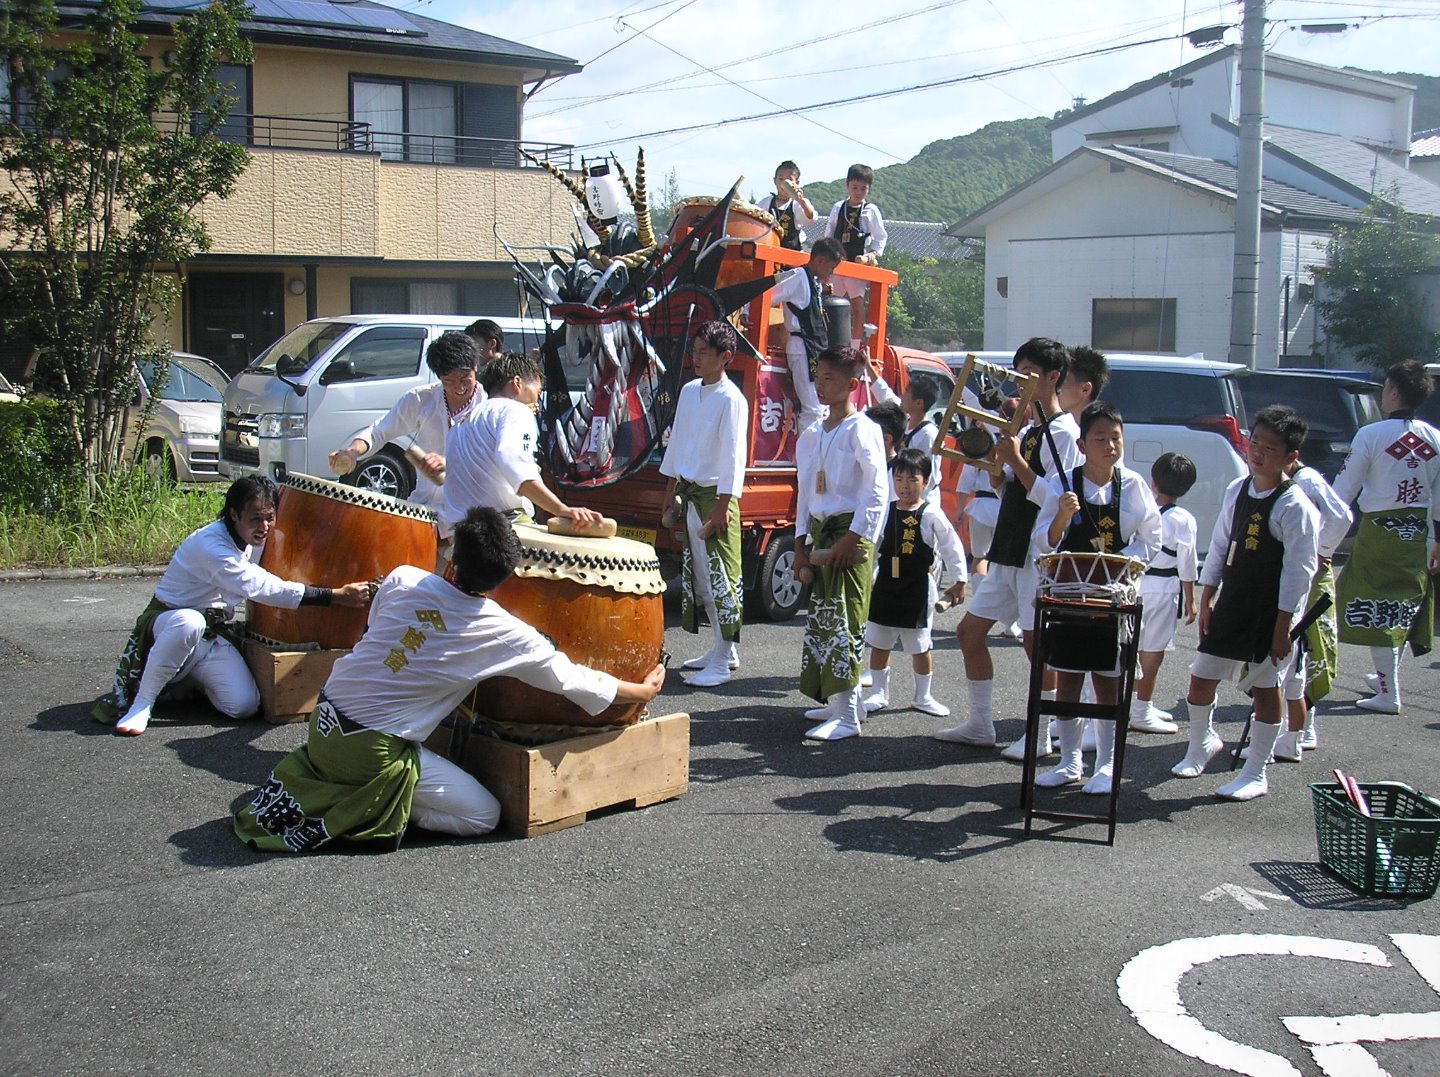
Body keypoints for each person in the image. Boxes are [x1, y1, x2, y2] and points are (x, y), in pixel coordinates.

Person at [234, 507, 667, 852]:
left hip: (323, 723)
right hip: (369, 750)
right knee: (482, 816)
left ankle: (347, 785)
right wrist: (642, 691)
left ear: (452, 555)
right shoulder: (503, 631)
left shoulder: (404, 578)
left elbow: (377, 635)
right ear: (504, 579)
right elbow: (573, 680)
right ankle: (370, 809)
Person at [92, 476, 373, 736]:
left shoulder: (257, 538)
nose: (263, 527)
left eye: (269, 518)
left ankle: (184, 683)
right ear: (234, 515)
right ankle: (143, 702)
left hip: (209, 638)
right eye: (255, 519)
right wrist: (335, 596)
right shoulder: (211, 546)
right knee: (190, 622)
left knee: (243, 706)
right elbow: (262, 586)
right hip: (168, 627)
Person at [934, 338, 1081, 750]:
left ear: (1053, 378)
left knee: (1038, 647)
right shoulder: (1031, 429)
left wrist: (1014, 462)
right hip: (1008, 545)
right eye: (1018, 371)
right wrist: (1000, 475)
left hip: (1037, 553)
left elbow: (1060, 499)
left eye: (1029, 372)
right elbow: (1016, 490)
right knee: (968, 632)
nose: (1020, 381)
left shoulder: (1064, 433)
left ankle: (1041, 735)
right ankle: (981, 724)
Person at [1172, 404, 1319, 801]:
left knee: (1265, 688)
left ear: (1291, 457)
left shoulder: (1295, 506)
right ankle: (1201, 743)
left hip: (1269, 612)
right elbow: (1221, 545)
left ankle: (1256, 772)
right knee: (1201, 676)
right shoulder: (1237, 489)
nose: (1258, 452)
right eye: (1255, 442)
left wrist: (1282, 626)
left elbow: (1299, 572)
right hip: (1233, 601)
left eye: (1270, 448)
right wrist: (1207, 595)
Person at [1028, 401, 1161, 794]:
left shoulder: (1133, 485)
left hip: (1111, 599)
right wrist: (1061, 518)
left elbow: (1151, 539)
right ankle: (1070, 762)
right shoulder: (1062, 483)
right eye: (1100, 438)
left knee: (1108, 681)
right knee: (1067, 679)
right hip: (1071, 597)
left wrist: (1120, 566)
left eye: (1115, 438)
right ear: (1083, 444)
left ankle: (1106, 765)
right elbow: (1042, 543)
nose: (1109, 446)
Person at [1333, 359, 1440, 714]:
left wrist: (1325, 530)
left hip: (1380, 529)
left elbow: (1344, 489)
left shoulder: (1371, 434)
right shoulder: (1434, 436)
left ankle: (1388, 691)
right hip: (1419, 530)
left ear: (1393, 391)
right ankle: (1385, 679)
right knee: (1401, 605)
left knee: (1377, 606)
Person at [794, 347, 889, 742]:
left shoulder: (862, 428)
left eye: (829, 378)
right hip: (820, 531)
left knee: (846, 620)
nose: (819, 383)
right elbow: (803, 492)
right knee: (823, 621)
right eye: (818, 375)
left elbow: (877, 490)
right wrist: (800, 543)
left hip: (848, 533)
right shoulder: (812, 432)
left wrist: (856, 537)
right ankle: (838, 702)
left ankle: (850, 714)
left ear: (852, 384)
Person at [659, 321, 748, 687]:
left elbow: (733, 456)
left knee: (722, 577)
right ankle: (720, 648)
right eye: (693, 351)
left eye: (703, 353)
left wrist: (723, 505)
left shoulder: (732, 399)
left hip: (716, 497)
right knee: (700, 577)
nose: (695, 358)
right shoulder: (689, 390)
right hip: (691, 492)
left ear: (725, 357)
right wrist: (669, 493)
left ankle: (724, 658)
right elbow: (677, 443)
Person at [440, 352, 603, 539]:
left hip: (460, 536)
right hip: (499, 533)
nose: (537, 401)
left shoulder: (462, 421)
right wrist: (561, 509)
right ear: (517, 383)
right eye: (538, 391)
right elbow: (517, 469)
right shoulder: (514, 410)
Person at [862, 448, 968, 717]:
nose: (904, 486)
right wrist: (867, 576)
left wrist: (959, 580)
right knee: (879, 641)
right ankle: (878, 693)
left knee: (920, 646)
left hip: (917, 589)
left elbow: (951, 545)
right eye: (899, 479)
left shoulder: (930, 513)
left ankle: (923, 696)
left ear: (926, 481)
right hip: (885, 585)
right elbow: (872, 546)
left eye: (912, 479)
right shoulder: (885, 511)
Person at [328, 331, 482, 511]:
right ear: (439, 377)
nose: (459, 387)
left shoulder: (491, 408)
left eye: (465, 378)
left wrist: (450, 463)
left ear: (475, 367)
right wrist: (352, 452)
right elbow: (379, 431)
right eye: (449, 381)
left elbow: (493, 462)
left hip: (470, 510)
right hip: (424, 506)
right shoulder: (420, 400)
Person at [1284, 455, 1352, 750]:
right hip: (1297, 571)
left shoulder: (1307, 480)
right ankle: (1296, 727)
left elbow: (1342, 516)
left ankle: (1305, 727)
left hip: (1312, 576)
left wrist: (1321, 549)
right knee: (1297, 651)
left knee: (1310, 647)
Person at [1130, 453, 1199, 734]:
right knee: (1152, 653)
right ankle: (1141, 710)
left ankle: (1136, 704)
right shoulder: (1183, 518)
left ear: (1153, 481)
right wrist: (1191, 600)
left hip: (1135, 584)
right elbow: (1187, 563)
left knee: (1131, 648)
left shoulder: (1141, 508)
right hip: (1163, 589)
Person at [769, 237, 844, 431]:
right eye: (831, 267)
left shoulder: (814, 282)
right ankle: (807, 459)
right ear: (820, 261)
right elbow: (768, 294)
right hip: (802, 347)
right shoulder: (798, 276)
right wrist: (746, 312)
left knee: (820, 407)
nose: (832, 273)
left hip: (813, 347)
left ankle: (814, 455)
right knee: (813, 408)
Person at [824, 164, 887, 350]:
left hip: (857, 264)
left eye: (863, 189)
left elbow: (880, 236)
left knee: (856, 306)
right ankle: (830, 342)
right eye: (855, 188)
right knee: (829, 303)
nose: (858, 192)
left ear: (868, 189)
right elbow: (829, 232)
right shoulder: (838, 208)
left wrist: (873, 254)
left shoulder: (870, 210)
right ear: (847, 185)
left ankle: (853, 346)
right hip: (837, 263)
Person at [755, 160, 818, 251]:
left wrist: (801, 201)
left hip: (792, 255)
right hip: (769, 252)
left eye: (789, 179)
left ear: (797, 183)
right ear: (774, 181)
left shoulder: (797, 204)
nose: (784, 183)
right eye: (781, 179)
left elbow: (811, 218)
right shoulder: (766, 202)